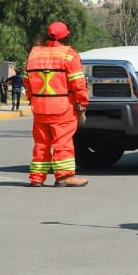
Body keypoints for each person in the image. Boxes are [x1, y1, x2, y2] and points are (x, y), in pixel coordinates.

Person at [23, 22, 90, 187]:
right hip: (62, 108)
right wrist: (82, 102)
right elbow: (78, 83)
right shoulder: (69, 55)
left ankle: (37, 178)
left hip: (39, 108)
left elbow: (27, 82)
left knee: (41, 144)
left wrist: (34, 99)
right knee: (63, 143)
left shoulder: (34, 54)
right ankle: (64, 177)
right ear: (66, 35)